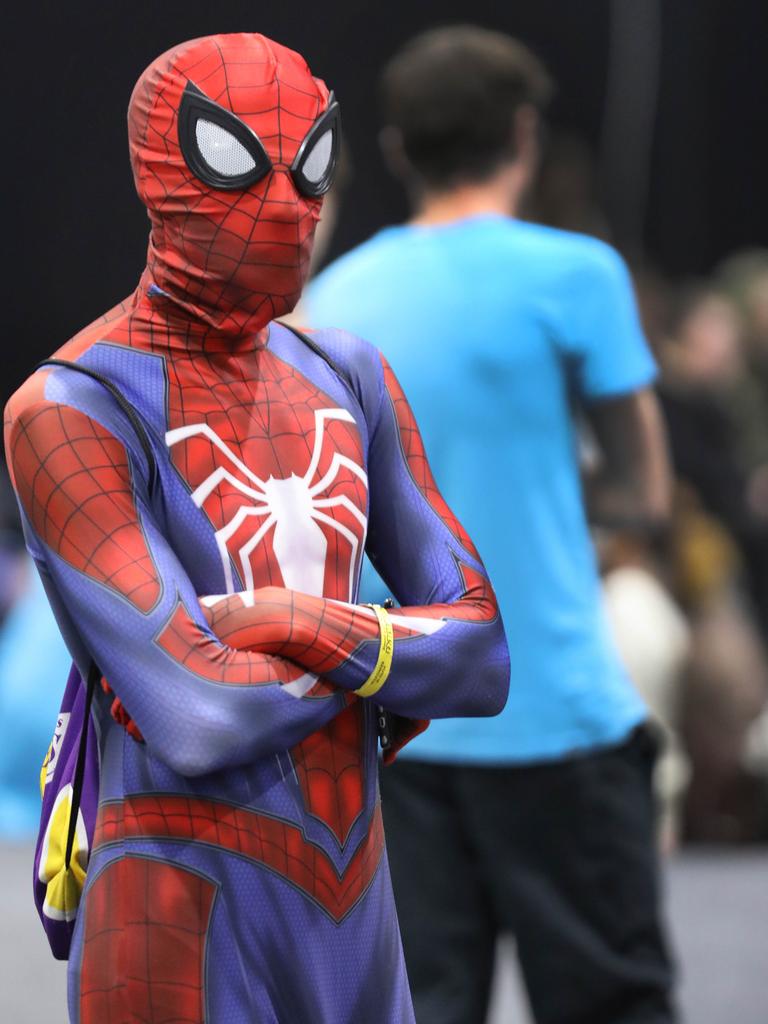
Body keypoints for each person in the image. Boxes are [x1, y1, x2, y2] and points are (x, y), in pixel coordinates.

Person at [3, 33, 509, 1024]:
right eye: (237, 161)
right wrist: (392, 656)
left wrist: (283, 616)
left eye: (308, 164)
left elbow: (485, 654)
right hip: (173, 907)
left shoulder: (349, 372)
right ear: (165, 169)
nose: (286, 206)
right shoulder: (72, 404)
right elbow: (201, 713)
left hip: (354, 902)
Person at [307, 25, 676, 1024]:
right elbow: (647, 491)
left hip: (402, 731)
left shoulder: (331, 303)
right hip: (555, 717)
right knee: (612, 1004)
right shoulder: (578, 275)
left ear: (395, 153)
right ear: (525, 135)